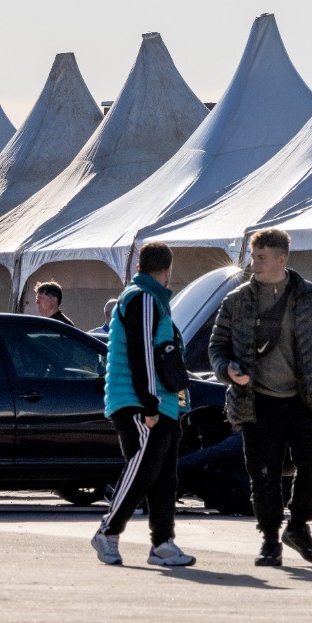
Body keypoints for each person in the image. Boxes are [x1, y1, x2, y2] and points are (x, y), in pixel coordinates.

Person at [210, 229, 312, 567]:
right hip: (257, 402)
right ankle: (270, 540)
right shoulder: (237, 300)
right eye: (253, 257)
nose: (253, 263)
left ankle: (298, 526)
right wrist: (227, 370)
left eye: (261, 257)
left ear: (282, 259)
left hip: (305, 400)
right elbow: (217, 346)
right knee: (264, 474)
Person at [90, 241, 194, 566]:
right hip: (139, 402)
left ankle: (162, 543)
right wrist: (149, 403)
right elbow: (143, 355)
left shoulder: (151, 299)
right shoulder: (144, 298)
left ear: (138, 266)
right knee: (141, 469)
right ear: (167, 270)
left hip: (160, 404)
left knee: (163, 476)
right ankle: (108, 531)